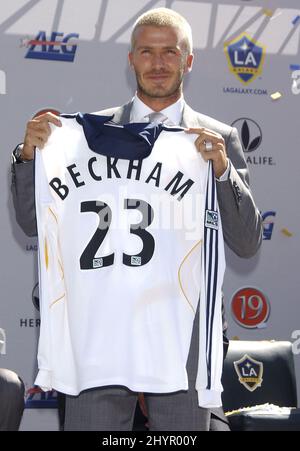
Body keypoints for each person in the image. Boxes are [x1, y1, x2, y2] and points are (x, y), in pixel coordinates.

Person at [11, 8, 262, 431]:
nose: (158, 63)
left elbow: (247, 241)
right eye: (147, 52)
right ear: (131, 60)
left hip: (184, 337)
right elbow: (32, 222)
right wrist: (28, 158)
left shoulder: (218, 139)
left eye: (170, 52)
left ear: (189, 59)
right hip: (102, 328)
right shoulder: (86, 137)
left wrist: (222, 172)